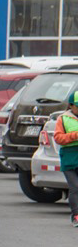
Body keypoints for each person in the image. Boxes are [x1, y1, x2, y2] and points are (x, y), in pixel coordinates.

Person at [53, 90, 78, 227]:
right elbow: (58, 138)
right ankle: (76, 215)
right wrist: (74, 136)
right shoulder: (63, 119)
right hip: (69, 157)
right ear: (71, 105)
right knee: (75, 187)